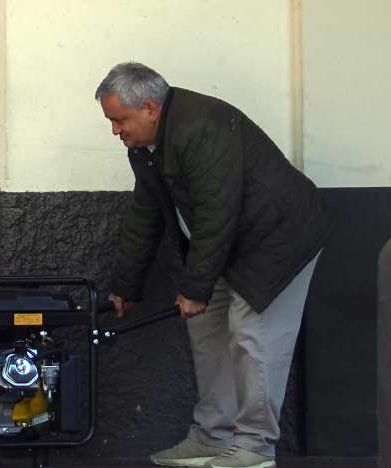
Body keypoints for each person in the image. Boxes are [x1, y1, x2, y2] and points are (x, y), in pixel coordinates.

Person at [97, 62, 335, 468]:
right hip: (232, 242)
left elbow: (216, 214)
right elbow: (146, 212)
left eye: (120, 120)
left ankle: (256, 447)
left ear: (151, 108)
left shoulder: (199, 128)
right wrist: (126, 285)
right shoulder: (148, 144)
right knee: (205, 330)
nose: (115, 131)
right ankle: (211, 437)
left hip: (279, 238)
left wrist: (194, 289)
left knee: (253, 335)